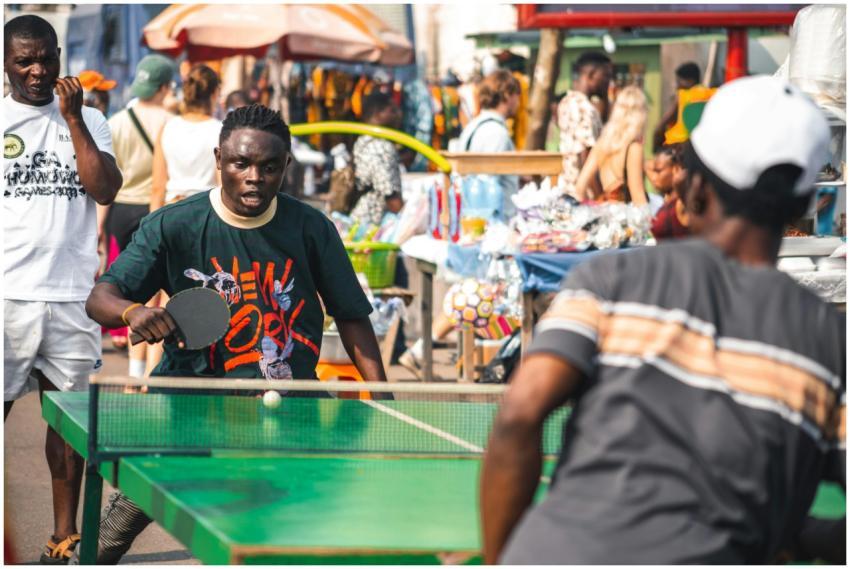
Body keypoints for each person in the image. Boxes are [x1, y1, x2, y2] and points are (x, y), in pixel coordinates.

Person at [481, 76, 844, 564]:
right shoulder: (829, 342)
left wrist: (499, 558)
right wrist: (793, 535)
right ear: (806, 202)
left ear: (693, 188)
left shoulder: (609, 279)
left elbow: (520, 413)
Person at [78, 104, 389, 563]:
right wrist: (132, 312)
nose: (254, 177)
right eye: (241, 163)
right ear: (219, 158)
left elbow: (351, 316)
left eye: (268, 167)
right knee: (109, 540)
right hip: (189, 404)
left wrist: (383, 399)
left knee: (300, 526)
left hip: (290, 404)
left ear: (286, 165)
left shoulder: (311, 229)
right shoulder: (174, 224)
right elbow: (100, 298)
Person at [3, 14, 123, 563]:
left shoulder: (91, 118)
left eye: (46, 58)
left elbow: (103, 189)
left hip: (72, 297)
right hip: (7, 296)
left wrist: (72, 118)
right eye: (24, 60)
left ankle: (62, 536)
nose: (36, 70)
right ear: (6, 62)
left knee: (68, 427)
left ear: (58, 57)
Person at [98, 54, 176, 375]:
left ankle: (133, 372)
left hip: (120, 209)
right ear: (165, 86)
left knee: (134, 293)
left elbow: (106, 179)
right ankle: (150, 375)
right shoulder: (170, 121)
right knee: (159, 293)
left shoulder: (116, 121)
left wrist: (99, 228)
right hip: (155, 208)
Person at [150, 63, 221, 210]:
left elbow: (157, 187)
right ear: (214, 94)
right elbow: (223, 185)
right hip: (207, 211)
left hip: (172, 210)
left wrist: (152, 226)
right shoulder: (220, 130)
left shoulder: (167, 128)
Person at [457, 68, 522, 215]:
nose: (518, 103)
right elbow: (488, 184)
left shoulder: (473, 125)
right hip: (495, 222)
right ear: (507, 95)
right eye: (517, 96)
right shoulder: (496, 133)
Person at [573, 85, 649, 205]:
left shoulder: (603, 143)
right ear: (641, 114)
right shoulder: (634, 148)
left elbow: (579, 188)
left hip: (605, 213)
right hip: (625, 218)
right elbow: (638, 197)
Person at [557, 51, 612, 199]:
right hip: (583, 195)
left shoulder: (567, 101)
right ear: (591, 74)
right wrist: (600, 198)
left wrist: (605, 98)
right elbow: (586, 157)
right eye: (606, 76)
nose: (608, 82)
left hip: (569, 189)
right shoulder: (583, 108)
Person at [349, 91, 404, 228]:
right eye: (392, 110)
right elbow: (390, 195)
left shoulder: (363, 141)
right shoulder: (380, 147)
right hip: (371, 227)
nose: (398, 115)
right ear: (378, 113)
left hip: (359, 222)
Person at [652, 61, 701, 151]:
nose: (676, 85)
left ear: (690, 81)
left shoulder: (683, 96)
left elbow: (662, 124)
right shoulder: (710, 95)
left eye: (678, 81)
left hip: (682, 146)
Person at [648, 144, 690, 240]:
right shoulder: (664, 202)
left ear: (676, 169)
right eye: (653, 172)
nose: (653, 178)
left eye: (659, 171)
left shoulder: (682, 203)